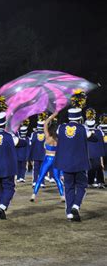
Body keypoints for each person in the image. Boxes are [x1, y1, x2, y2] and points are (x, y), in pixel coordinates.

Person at [54, 90, 98, 222]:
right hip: (79, 163)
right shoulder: (83, 129)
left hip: (66, 163)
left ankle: (69, 212)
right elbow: (94, 138)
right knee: (82, 185)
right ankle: (76, 206)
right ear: (79, 117)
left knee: (69, 187)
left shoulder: (60, 128)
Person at [30, 112, 64, 202]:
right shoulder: (58, 139)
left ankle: (34, 195)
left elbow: (45, 124)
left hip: (47, 159)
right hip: (55, 159)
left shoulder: (47, 137)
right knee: (57, 179)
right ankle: (62, 196)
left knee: (40, 177)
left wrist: (52, 115)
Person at [85, 108, 105, 188]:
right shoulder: (98, 130)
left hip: (91, 148)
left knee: (94, 166)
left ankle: (92, 181)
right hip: (93, 148)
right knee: (95, 165)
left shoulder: (97, 130)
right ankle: (97, 181)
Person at [29, 114, 47, 188]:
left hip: (36, 154)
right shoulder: (46, 134)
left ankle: (35, 181)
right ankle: (42, 182)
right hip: (44, 154)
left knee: (36, 168)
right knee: (42, 169)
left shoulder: (34, 134)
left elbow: (31, 144)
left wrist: (30, 155)